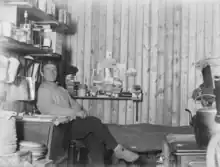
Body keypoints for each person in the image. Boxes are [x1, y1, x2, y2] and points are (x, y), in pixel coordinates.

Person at [37, 61, 139, 166]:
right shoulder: (44, 89)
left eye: (54, 69)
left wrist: (80, 111)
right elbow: (48, 109)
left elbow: (74, 104)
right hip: (59, 129)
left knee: (93, 138)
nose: (52, 72)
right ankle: (118, 149)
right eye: (48, 69)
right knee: (94, 122)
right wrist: (74, 113)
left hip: (70, 123)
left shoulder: (60, 89)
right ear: (42, 73)